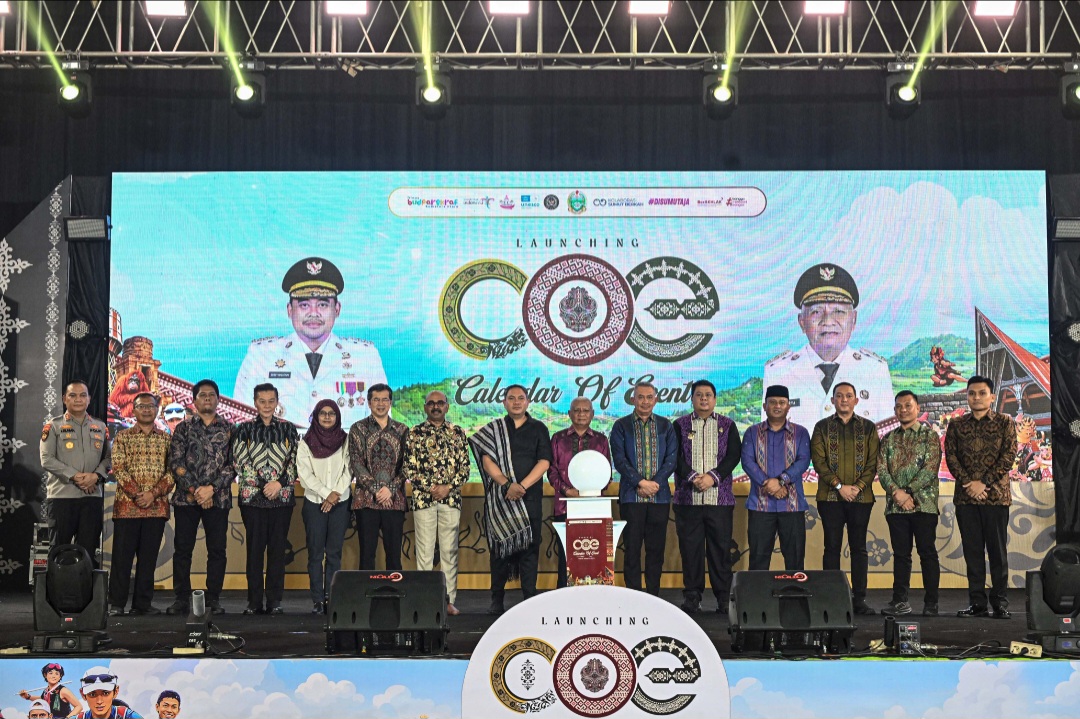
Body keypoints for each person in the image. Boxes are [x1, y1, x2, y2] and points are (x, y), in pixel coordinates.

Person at [233, 257, 387, 429]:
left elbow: (382, 425)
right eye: (304, 305)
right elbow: (241, 424)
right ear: (290, 310)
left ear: (337, 309)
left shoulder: (365, 357)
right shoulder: (261, 356)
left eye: (322, 305)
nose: (314, 313)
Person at [763, 263, 894, 429]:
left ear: (854, 320)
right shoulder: (778, 372)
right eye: (816, 312)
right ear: (802, 321)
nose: (828, 321)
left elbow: (888, 440)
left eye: (839, 311)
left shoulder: (875, 370)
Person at [469, 384, 553, 615]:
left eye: (521, 398)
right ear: (504, 402)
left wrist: (521, 487)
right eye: (511, 398)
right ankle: (497, 600)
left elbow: (544, 461)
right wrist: (506, 484)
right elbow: (486, 460)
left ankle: (529, 600)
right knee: (499, 551)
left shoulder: (539, 428)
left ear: (528, 402)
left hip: (529, 498)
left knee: (529, 550)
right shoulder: (494, 429)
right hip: (501, 499)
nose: (516, 402)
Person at [945, 375, 1017, 619]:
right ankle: (977, 603)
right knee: (972, 553)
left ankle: (1000, 604)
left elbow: (1008, 456)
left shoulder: (1005, 422)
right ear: (967, 396)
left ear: (992, 397)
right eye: (972, 393)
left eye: (982, 393)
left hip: (996, 497)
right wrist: (969, 483)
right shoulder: (956, 425)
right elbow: (951, 457)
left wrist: (983, 482)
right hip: (966, 499)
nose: (976, 397)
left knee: (998, 553)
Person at [672, 380, 742, 614]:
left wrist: (713, 477)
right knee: (690, 550)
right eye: (699, 395)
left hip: (719, 500)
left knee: (720, 550)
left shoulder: (728, 425)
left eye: (708, 395)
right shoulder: (679, 425)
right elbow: (674, 457)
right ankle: (692, 596)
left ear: (715, 399)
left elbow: (733, 456)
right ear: (692, 399)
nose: (704, 398)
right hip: (687, 500)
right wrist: (693, 477)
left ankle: (723, 598)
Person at [811, 382, 880, 615]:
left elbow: (873, 463)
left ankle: (859, 599)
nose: (844, 399)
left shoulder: (868, 427)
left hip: (861, 499)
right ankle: (831, 599)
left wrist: (857, 487)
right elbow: (819, 462)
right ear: (832, 401)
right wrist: (839, 486)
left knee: (859, 548)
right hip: (830, 498)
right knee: (831, 548)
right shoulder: (821, 427)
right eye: (839, 396)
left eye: (848, 396)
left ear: (856, 400)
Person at [167, 379, 234, 616]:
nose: (207, 398)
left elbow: (233, 465)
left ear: (218, 400)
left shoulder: (229, 428)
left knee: (217, 551)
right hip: (187, 499)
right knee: (182, 550)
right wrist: (197, 490)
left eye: (211, 395)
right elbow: (176, 462)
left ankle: (213, 598)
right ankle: (181, 599)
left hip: (218, 498)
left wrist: (211, 489)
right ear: (194, 401)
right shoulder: (183, 428)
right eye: (202, 395)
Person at [232, 383, 298, 615]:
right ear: (255, 402)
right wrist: (263, 485)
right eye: (262, 401)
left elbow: (295, 461)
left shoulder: (289, 429)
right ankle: (254, 602)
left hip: (282, 498)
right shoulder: (243, 429)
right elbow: (240, 462)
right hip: (253, 499)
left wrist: (279, 484)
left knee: (277, 552)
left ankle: (274, 602)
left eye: (271, 401)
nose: (267, 406)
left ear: (277, 402)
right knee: (255, 551)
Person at [405, 390, 471, 614]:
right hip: (423, 500)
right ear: (425, 407)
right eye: (431, 403)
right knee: (424, 553)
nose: (435, 406)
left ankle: (448, 601)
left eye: (440, 403)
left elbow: (465, 469)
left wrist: (447, 488)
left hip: (451, 500)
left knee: (449, 552)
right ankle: (425, 601)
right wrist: (432, 488)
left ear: (447, 406)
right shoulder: (414, 433)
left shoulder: (457, 432)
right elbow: (409, 468)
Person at [108, 392, 174, 616]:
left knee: (148, 560)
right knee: (121, 559)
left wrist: (152, 494)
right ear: (133, 410)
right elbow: (118, 468)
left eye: (150, 406)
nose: (146, 410)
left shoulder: (166, 439)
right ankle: (117, 604)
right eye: (141, 406)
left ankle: (142, 604)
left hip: (156, 508)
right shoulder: (122, 437)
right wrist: (139, 495)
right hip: (127, 507)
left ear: (157, 409)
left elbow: (172, 472)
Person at [878, 390, 943, 617]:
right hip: (896, 507)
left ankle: (931, 603)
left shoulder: (930, 436)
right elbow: (882, 470)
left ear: (917, 408)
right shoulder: (888, 438)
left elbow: (930, 469)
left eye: (908, 405)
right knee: (901, 555)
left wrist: (906, 492)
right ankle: (900, 602)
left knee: (927, 553)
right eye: (899, 406)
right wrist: (896, 493)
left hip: (924, 505)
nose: (903, 410)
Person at [610, 381, 677, 597]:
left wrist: (654, 483)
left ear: (656, 400)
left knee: (656, 550)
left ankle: (653, 596)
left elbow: (672, 459)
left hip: (660, 497)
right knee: (632, 549)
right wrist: (640, 482)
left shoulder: (666, 426)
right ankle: (633, 596)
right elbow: (619, 460)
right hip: (631, 498)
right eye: (640, 397)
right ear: (633, 399)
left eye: (649, 397)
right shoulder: (621, 426)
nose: (645, 402)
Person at [741, 385, 812, 571]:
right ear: (764, 406)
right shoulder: (752, 432)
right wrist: (768, 483)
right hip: (760, 505)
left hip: (792, 505)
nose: (777, 406)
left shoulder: (801, 433)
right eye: (772, 402)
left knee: (795, 560)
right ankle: (759, 592)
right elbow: (747, 462)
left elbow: (803, 461)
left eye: (782, 402)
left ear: (788, 406)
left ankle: (793, 592)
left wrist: (780, 481)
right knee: (758, 559)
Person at [40, 380, 111, 564]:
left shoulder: (100, 426)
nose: (78, 399)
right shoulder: (53, 426)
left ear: (89, 399)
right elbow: (46, 459)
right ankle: (57, 584)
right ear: (65, 399)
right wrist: (76, 476)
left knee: (88, 551)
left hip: (92, 498)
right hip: (62, 497)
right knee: (58, 550)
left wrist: (95, 477)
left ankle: (84, 584)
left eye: (82, 395)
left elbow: (109, 458)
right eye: (73, 395)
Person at [547, 397, 611, 588]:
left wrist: (590, 491)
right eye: (576, 410)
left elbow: (607, 473)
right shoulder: (557, 439)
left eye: (585, 410)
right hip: (565, 506)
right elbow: (552, 471)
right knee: (566, 556)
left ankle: (596, 594)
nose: (581, 414)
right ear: (569, 414)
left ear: (592, 414)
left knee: (593, 555)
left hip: (594, 508)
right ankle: (564, 595)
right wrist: (567, 490)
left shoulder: (601, 440)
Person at [297, 399, 351, 614]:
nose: (327, 417)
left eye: (332, 413)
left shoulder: (346, 440)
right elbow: (304, 474)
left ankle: (332, 598)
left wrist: (335, 494)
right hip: (314, 503)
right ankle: (318, 600)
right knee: (315, 554)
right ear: (316, 416)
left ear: (337, 416)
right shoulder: (306, 442)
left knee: (334, 553)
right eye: (323, 413)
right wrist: (326, 494)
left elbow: (349, 470)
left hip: (340, 503)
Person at [349, 383, 408, 570]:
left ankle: (393, 589)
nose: (380, 404)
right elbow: (356, 464)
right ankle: (367, 591)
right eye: (376, 400)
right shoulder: (358, 428)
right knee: (367, 555)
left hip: (394, 500)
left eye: (384, 400)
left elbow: (408, 465)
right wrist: (376, 490)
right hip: (366, 501)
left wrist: (390, 489)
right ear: (369, 403)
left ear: (390, 402)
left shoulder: (402, 430)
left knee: (394, 556)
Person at [74, 668, 142, 719]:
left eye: (105, 693)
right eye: (92, 694)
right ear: (83, 694)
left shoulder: (128, 716)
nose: (99, 701)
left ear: (116, 691)